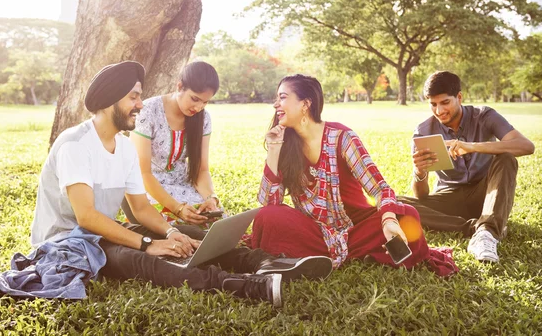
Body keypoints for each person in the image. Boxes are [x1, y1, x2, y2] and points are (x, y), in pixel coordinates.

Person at [26, 61, 333, 306]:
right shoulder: (75, 144)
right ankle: (247, 286)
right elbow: (86, 217)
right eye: (133, 97)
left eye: (139, 96)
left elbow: (142, 208)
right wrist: (150, 243)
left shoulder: (123, 147)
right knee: (139, 259)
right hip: (68, 242)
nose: (140, 104)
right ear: (109, 101)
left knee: (191, 236)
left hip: (101, 231)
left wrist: (172, 232)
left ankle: (266, 262)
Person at [251, 74, 458, 276]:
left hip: (356, 229)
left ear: (305, 104)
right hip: (313, 231)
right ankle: (353, 255)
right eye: (277, 98)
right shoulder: (285, 143)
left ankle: (315, 257)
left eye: (283, 97)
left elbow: (380, 188)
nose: (276, 104)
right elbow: (271, 202)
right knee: (266, 217)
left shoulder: (342, 137)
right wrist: (274, 149)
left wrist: (388, 221)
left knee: (407, 216)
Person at [398, 71, 535, 263]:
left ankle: (487, 233)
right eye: (433, 104)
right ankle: (474, 228)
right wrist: (419, 172)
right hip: (448, 200)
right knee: (393, 203)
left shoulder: (484, 116)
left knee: (506, 159)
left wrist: (471, 146)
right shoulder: (423, 132)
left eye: (445, 102)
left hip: (486, 195)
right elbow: (421, 197)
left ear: (459, 97)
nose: (439, 111)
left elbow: (526, 146)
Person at [122, 61, 220, 227]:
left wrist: (211, 198)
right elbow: (143, 173)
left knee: (217, 227)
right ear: (179, 86)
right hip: (150, 188)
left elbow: (201, 170)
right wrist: (178, 208)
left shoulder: (203, 118)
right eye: (195, 99)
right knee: (185, 232)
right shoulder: (148, 111)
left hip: (183, 186)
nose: (198, 107)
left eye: (205, 102)